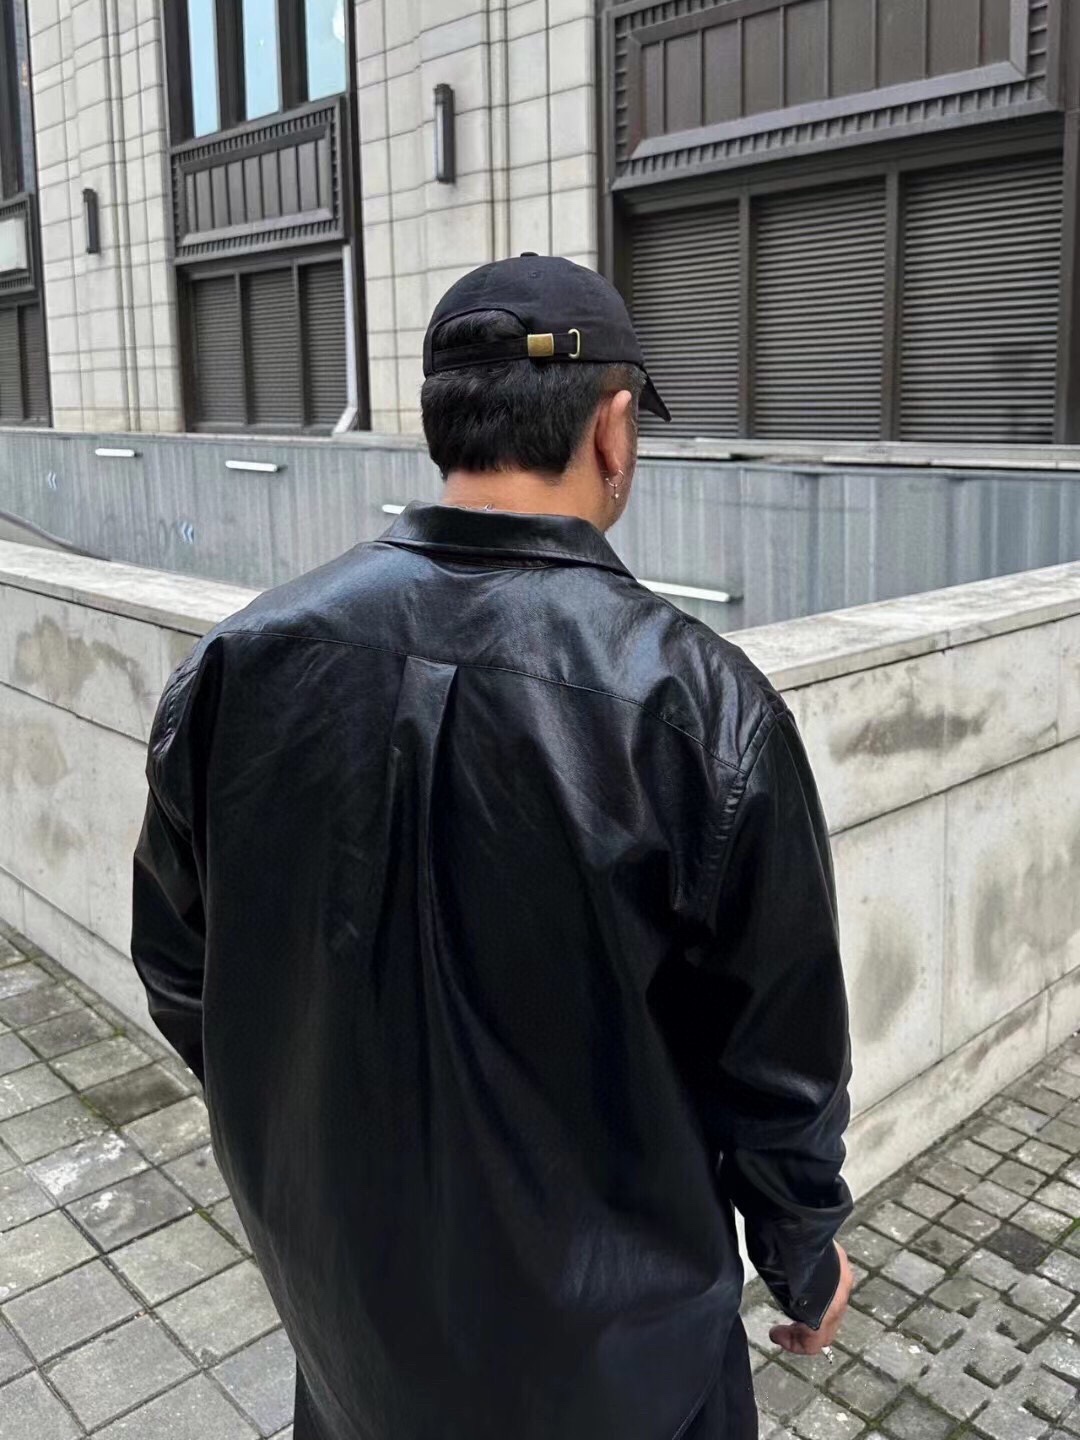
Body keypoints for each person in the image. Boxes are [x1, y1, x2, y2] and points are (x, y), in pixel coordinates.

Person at [130, 254, 854, 1440]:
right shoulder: (700, 709)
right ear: (612, 427)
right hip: (624, 1373)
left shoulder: (238, 665)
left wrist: (313, 1114)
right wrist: (803, 1253)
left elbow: (180, 970)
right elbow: (779, 1065)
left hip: (355, 1340)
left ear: (443, 422)